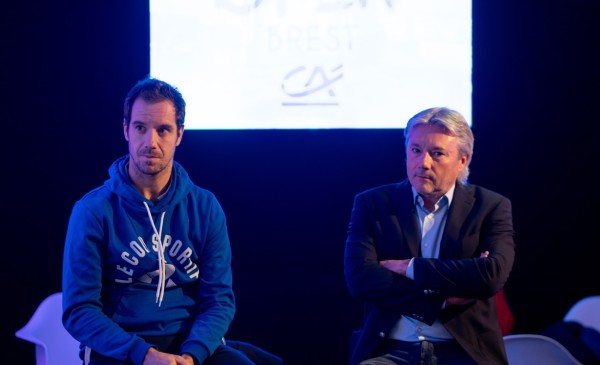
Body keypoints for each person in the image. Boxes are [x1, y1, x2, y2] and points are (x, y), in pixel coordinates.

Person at [62, 76, 257, 365]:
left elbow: (219, 301)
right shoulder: (93, 210)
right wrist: (145, 355)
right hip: (121, 349)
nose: (150, 142)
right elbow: (79, 310)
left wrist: (192, 355)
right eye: (141, 128)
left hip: (191, 346)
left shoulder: (205, 207)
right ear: (126, 129)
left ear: (179, 134)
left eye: (163, 130)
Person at [344, 107, 515, 365]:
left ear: (463, 160)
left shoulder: (491, 206)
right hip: (390, 349)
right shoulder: (373, 204)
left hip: (463, 351)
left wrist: (411, 268)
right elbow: (360, 279)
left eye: (437, 154)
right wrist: (443, 299)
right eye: (415, 150)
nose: (423, 162)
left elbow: (490, 276)